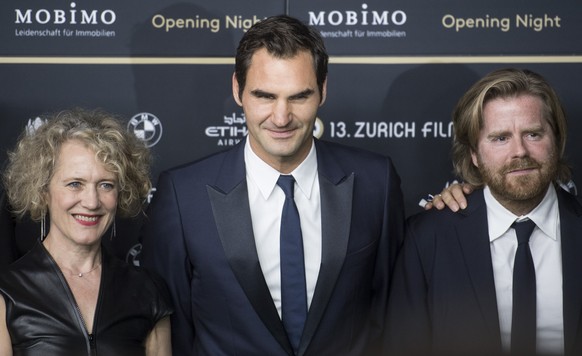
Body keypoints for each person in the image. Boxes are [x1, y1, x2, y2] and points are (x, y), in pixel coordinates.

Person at [140, 15, 404, 355]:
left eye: (299, 97)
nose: (281, 117)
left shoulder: (375, 181)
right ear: (237, 90)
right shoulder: (182, 194)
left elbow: (393, 314)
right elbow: (171, 331)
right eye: (265, 96)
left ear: (323, 91)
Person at [387, 68, 582, 356]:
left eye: (533, 133)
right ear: (474, 154)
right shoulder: (428, 239)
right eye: (500, 138)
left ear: (556, 139)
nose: (520, 151)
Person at [0, 108, 173, 355]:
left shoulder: (148, 291)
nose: (92, 202)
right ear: (42, 191)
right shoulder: (7, 292)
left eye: (105, 185)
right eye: (75, 184)